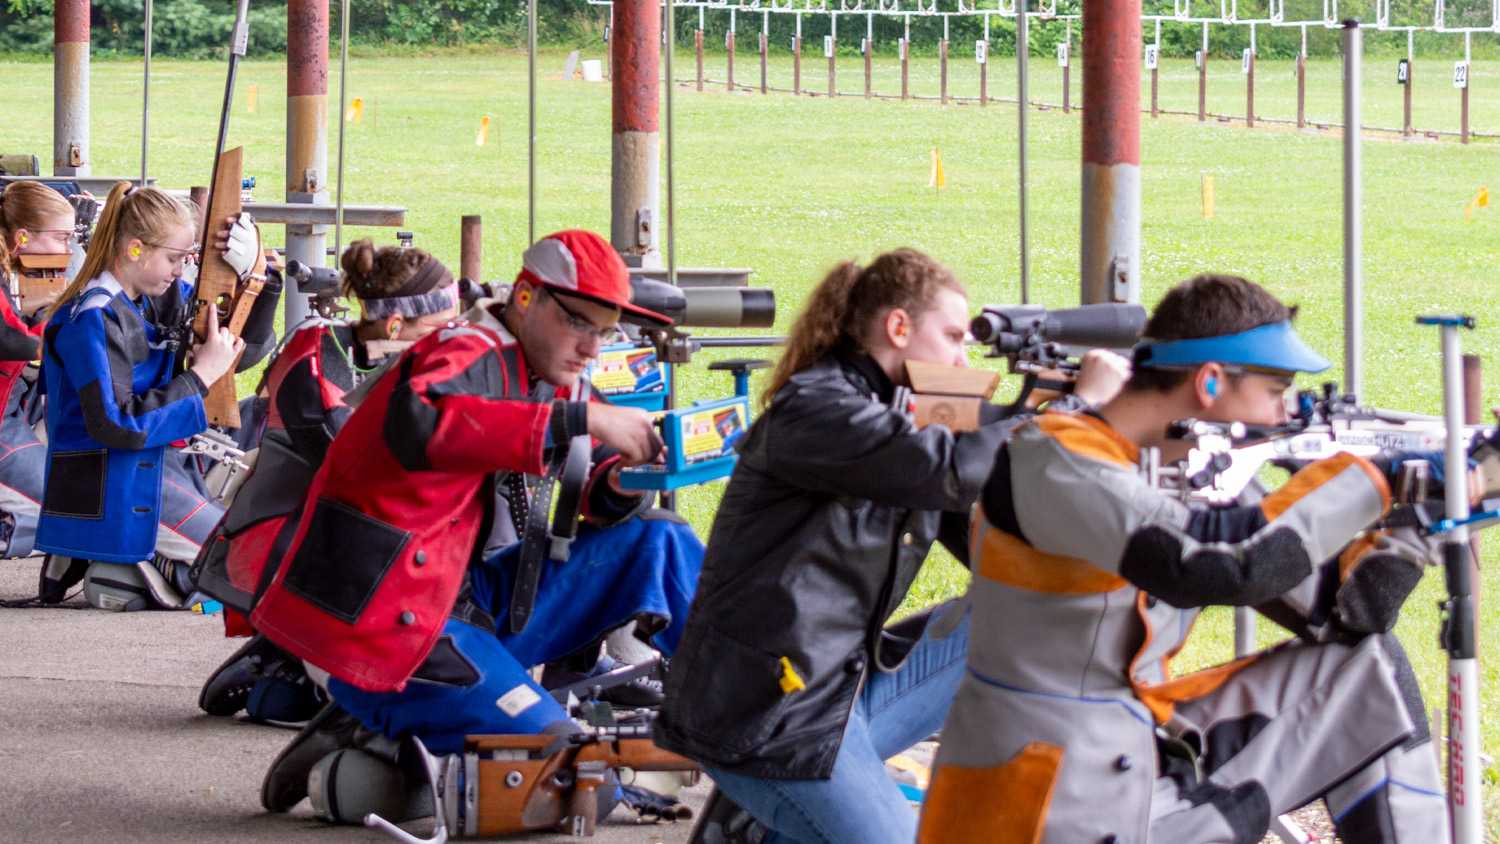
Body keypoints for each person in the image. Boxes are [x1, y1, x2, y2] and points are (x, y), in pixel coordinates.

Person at [919, 274, 1450, 844]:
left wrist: (1420, 519)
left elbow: (1350, 613)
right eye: (1276, 390)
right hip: (1036, 805)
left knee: (1371, 671)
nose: (1286, 412)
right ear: (1211, 381)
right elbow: (1220, 563)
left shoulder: (1184, 475)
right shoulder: (1053, 457)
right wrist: (1381, 478)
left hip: (1129, 762)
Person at [652, 248, 1131, 844]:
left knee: (1020, 611)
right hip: (768, 717)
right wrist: (1075, 411)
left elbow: (989, 535)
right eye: (953, 337)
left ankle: (765, 826)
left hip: (831, 694)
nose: (962, 359)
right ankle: (769, 813)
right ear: (899, 328)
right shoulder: (817, 408)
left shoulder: (901, 412)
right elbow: (949, 471)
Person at [249, 229, 704, 824]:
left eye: (607, 328)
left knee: (661, 541)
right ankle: (372, 722)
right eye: (581, 323)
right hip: (381, 624)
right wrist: (577, 416)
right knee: (578, 783)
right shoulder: (466, 348)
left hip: (457, 602)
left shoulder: (552, 368)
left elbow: (587, 489)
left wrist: (619, 482)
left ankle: (743, 711)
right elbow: (421, 424)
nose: (594, 347)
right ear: (524, 297)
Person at [194, 237, 459, 722]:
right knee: (292, 706)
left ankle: (286, 653)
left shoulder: (390, 352)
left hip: (329, 537)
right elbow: (353, 470)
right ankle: (283, 649)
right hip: (291, 539)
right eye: (441, 328)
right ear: (397, 324)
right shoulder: (314, 358)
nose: (452, 340)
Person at [36, 182, 283, 610]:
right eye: (174, 258)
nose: (180, 270)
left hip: (159, 461)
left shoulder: (161, 296)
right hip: (118, 479)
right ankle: (146, 563)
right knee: (252, 568)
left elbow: (236, 353)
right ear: (135, 249)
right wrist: (200, 375)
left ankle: (154, 560)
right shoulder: (91, 317)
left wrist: (260, 281)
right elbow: (116, 425)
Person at [0, 181, 74, 569]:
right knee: (68, 504)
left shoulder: (15, 276)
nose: (67, 250)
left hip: (14, 414)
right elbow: (10, 341)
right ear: (22, 238)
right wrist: (52, 324)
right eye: (61, 238)